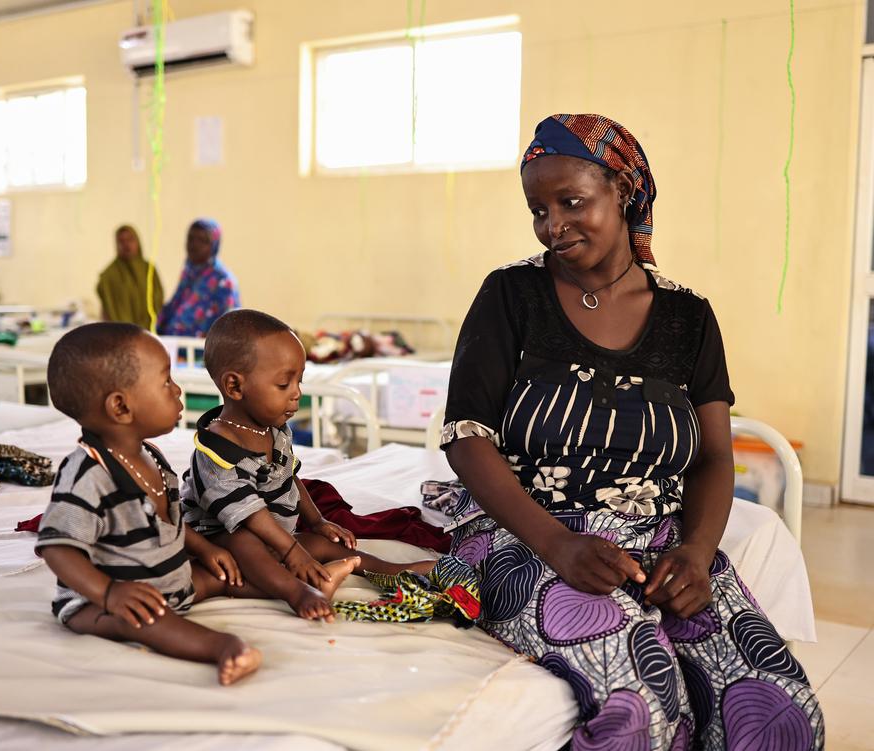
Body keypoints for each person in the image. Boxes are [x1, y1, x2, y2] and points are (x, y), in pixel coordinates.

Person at [439, 114, 823, 749]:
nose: (553, 226)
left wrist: (696, 555)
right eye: (538, 210)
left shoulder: (687, 317)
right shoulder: (511, 294)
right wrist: (558, 545)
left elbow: (713, 457)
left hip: (657, 538)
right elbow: (465, 436)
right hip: (525, 533)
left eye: (572, 202)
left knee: (782, 711)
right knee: (639, 701)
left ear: (622, 191)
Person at [35, 323, 261, 685]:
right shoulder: (89, 475)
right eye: (166, 381)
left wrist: (204, 549)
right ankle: (224, 647)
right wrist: (109, 593)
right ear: (121, 406)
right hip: (104, 605)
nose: (177, 390)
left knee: (231, 570)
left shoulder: (152, 456)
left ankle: (298, 588)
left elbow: (168, 521)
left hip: (172, 583)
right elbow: (57, 548)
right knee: (143, 621)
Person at [181, 309, 435, 623]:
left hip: (273, 535)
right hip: (220, 538)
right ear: (235, 386)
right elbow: (248, 514)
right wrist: (292, 552)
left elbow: (288, 478)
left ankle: (389, 570)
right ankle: (299, 592)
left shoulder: (273, 429)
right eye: (283, 384)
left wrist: (316, 522)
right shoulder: (216, 449)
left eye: (299, 381)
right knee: (244, 543)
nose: (297, 393)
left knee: (320, 544)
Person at [157, 219, 240, 337]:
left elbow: (228, 326)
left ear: (214, 245)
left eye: (202, 240)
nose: (194, 245)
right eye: (190, 238)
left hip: (203, 348)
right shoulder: (188, 274)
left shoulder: (223, 281)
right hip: (174, 345)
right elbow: (172, 311)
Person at [96, 225, 164, 328]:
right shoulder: (109, 276)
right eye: (121, 241)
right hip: (120, 333)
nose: (126, 245)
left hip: (151, 330)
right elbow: (106, 310)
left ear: (138, 242)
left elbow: (158, 300)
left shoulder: (149, 270)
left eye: (130, 239)